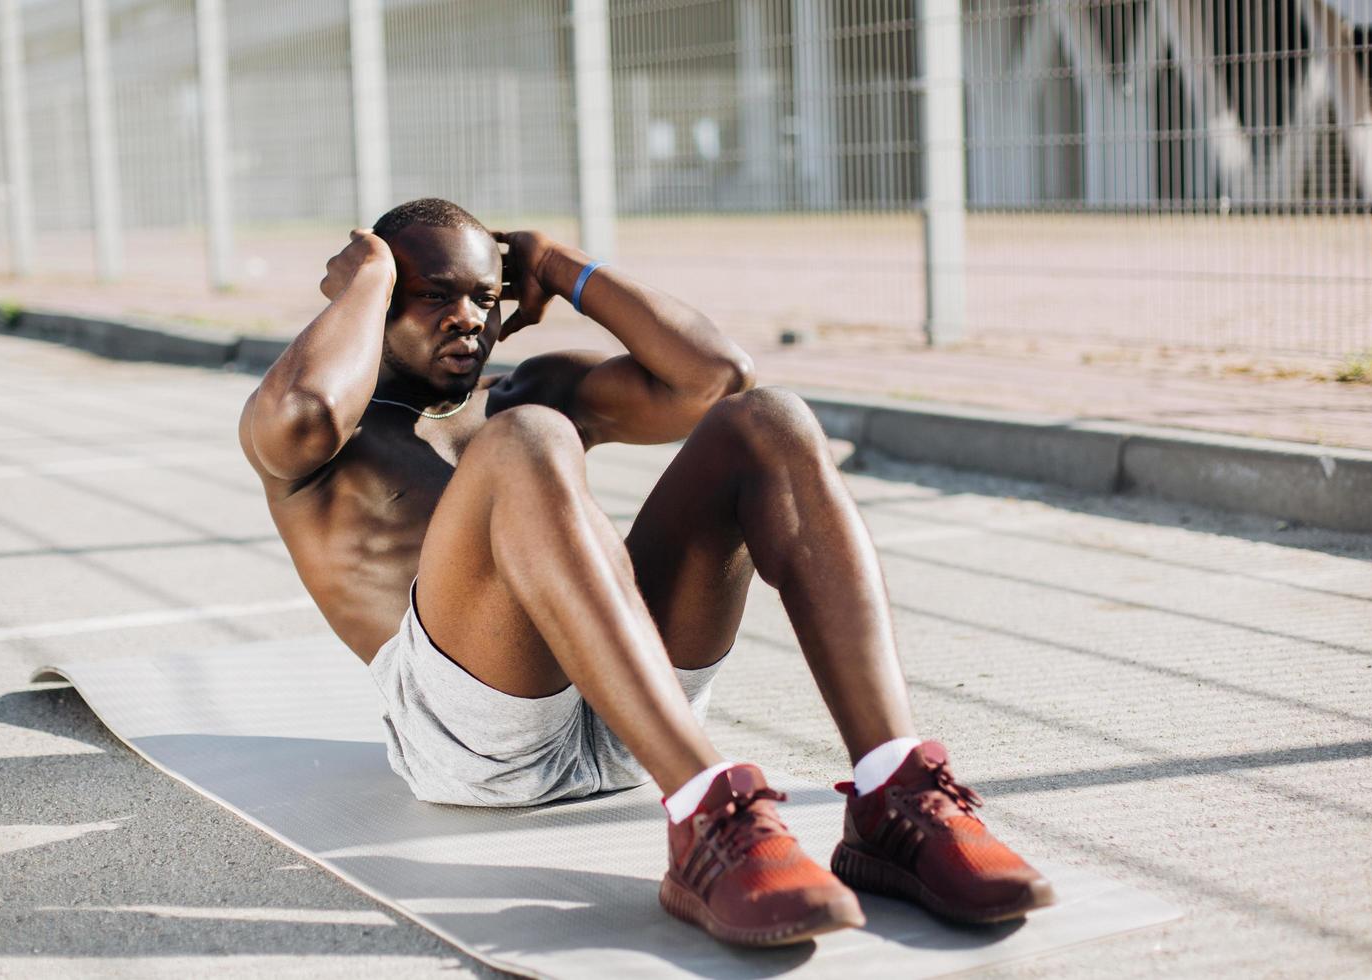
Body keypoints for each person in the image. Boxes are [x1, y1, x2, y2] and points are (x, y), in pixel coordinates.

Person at [239, 197, 1054, 948]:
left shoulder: (525, 387)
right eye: (434, 295)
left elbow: (716, 378)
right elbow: (307, 409)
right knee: (530, 438)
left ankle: (890, 797)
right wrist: (371, 276)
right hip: (475, 748)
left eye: (486, 298)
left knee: (769, 421)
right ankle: (707, 817)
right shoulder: (323, 439)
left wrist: (559, 265)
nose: (468, 319)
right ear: (376, 302)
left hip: (627, 712)